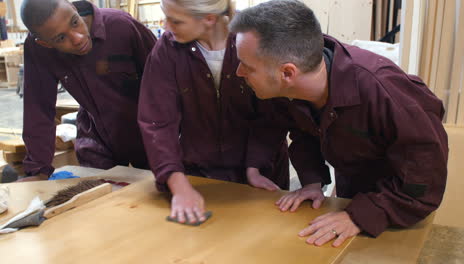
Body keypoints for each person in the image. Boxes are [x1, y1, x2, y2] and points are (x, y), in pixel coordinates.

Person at [230, 0, 448, 247]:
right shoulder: (300, 77)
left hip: (400, 209)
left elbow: (425, 185)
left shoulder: (388, 95)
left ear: (288, 73)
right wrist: (312, 180)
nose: (238, 72)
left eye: (247, 66)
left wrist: (358, 217)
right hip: (350, 198)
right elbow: (304, 130)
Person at [138, 0, 289, 224]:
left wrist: (255, 165)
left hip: (261, 171)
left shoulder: (254, 37)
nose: (167, 27)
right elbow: (157, 123)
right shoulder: (167, 50)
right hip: (201, 177)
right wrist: (178, 183)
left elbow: (273, 114)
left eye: (176, 20)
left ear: (209, 18)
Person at [19, 0, 156, 181]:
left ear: (74, 8)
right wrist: (38, 171)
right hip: (97, 142)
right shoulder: (38, 49)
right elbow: (38, 108)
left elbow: (166, 82)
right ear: (45, 43)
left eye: (75, 22)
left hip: (150, 134)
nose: (78, 38)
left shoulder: (121, 26)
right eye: (61, 38)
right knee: (101, 200)